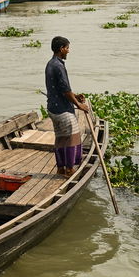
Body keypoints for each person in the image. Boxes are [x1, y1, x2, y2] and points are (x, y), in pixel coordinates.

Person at [45, 36, 90, 176]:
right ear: (61, 49)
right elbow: (65, 90)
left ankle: (60, 168)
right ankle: (69, 169)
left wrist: (74, 96)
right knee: (72, 137)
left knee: (60, 138)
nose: (68, 51)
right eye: (67, 48)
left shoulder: (50, 63)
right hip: (62, 109)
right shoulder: (58, 66)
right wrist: (78, 104)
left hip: (53, 108)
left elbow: (61, 89)